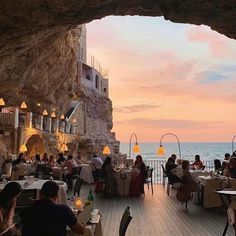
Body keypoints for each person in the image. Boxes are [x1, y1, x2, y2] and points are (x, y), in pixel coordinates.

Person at [21, 181, 85, 236]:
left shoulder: (26, 211)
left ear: (40, 193)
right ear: (56, 196)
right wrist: (83, 224)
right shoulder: (62, 210)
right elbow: (80, 230)